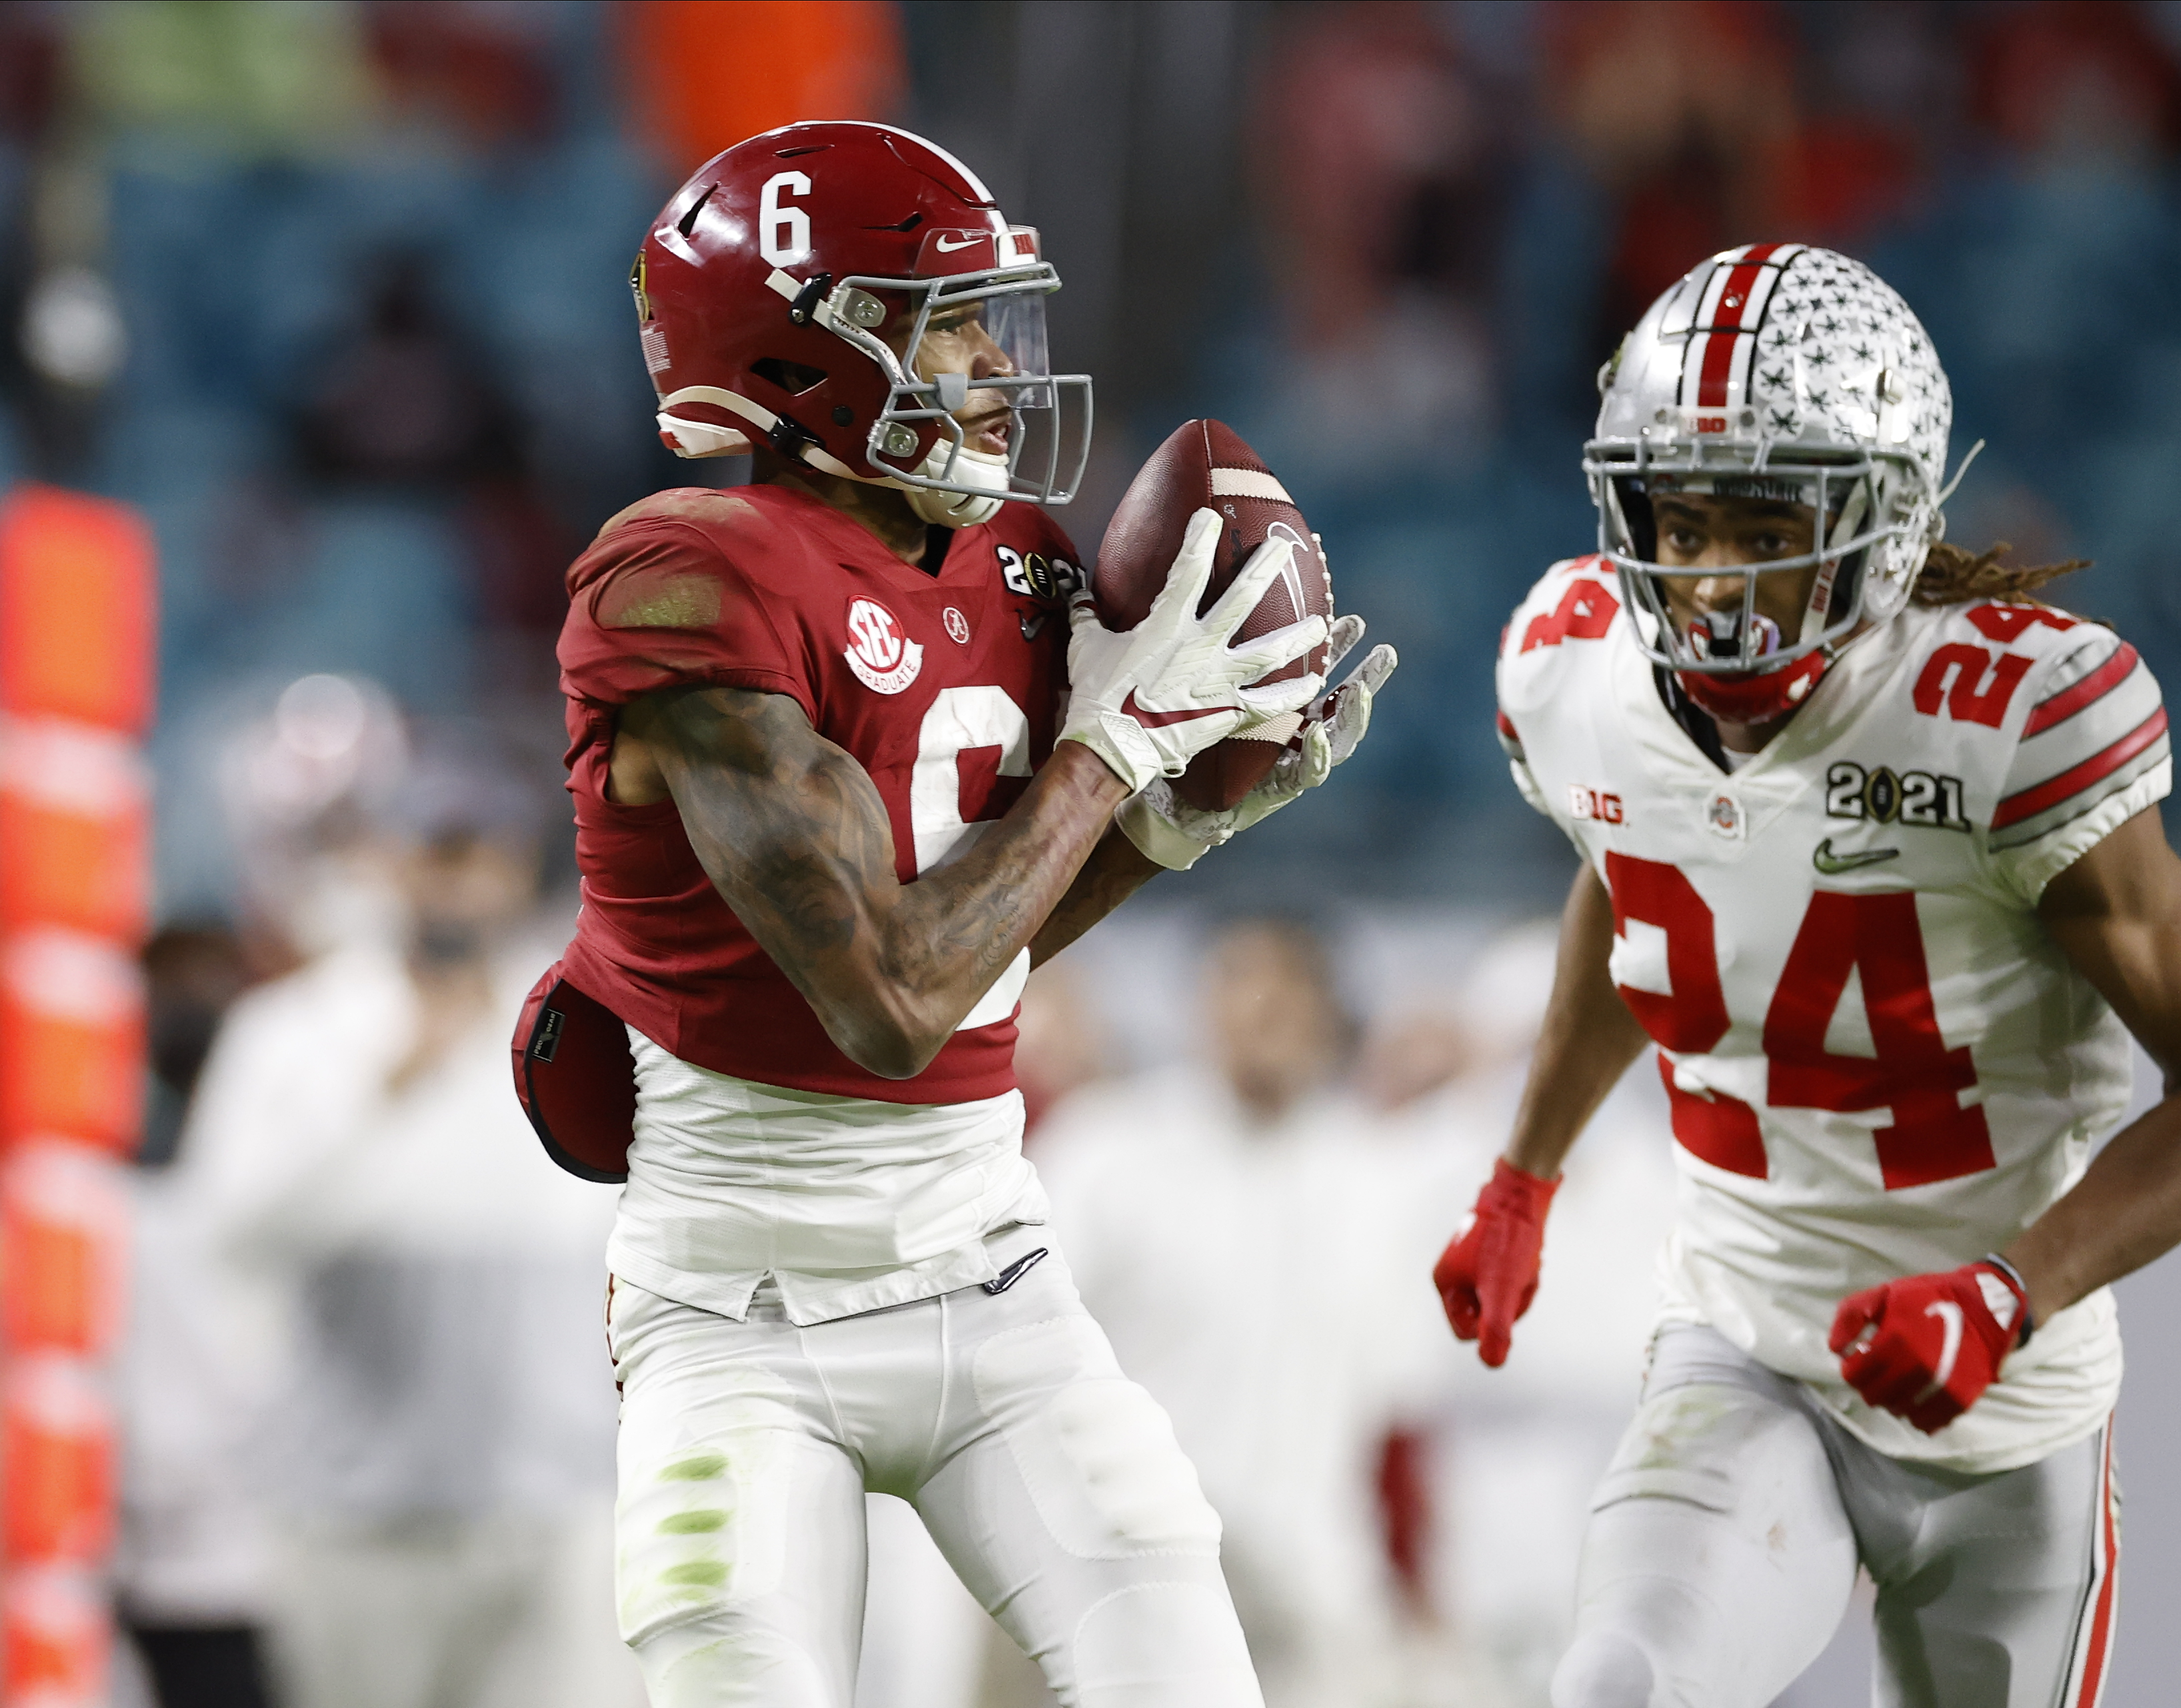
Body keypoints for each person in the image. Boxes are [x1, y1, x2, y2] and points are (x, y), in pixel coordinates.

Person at [547, 121, 1397, 1708]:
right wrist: (1107, 758)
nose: (995, 367)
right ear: (798, 354)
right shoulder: (680, 574)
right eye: (942, 323)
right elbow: (881, 1002)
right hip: (741, 1315)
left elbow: (975, 943)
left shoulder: (1017, 567)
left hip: (989, 1278)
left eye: (993, 321)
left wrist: (1169, 827)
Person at [1433, 243, 2181, 1708]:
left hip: (2002, 1415)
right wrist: (1524, 1174)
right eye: (1684, 520)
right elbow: (1628, 873)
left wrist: (2011, 1289)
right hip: (1744, 1347)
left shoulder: (2003, 720)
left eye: (1764, 521)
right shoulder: (1575, 669)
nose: (1712, 581)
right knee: (1615, 1686)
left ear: (1884, 521)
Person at [179, 740, 637, 1708]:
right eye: (438, 850)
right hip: (355, 1522)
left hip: (554, 1512)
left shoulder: (585, 1028)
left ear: (519, 870)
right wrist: (384, 1088)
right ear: (389, 860)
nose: (461, 882)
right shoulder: (297, 1032)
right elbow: (228, 1235)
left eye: (484, 855)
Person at [1035, 918, 1436, 1708]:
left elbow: (1398, 1412)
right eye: (1239, 983)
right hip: (1128, 1572)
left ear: (1329, 1015)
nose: (1263, 1011)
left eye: (1288, 990)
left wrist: (1416, 1586)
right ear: (1198, 1004)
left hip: (1315, 1583)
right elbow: (1024, 1359)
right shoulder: (1106, 1150)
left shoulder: (1378, 1179)